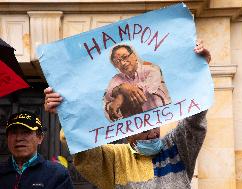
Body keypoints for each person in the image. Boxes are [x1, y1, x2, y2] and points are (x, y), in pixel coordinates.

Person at [44, 40, 211, 189]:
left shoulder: (176, 148)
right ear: (127, 127)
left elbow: (194, 121)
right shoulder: (114, 158)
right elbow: (82, 144)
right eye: (145, 126)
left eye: (155, 123)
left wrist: (199, 71)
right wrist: (66, 110)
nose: (153, 132)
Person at [0, 111, 74, 189]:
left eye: (26, 132)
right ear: (7, 138)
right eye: (13, 133)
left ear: (40, 138)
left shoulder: (57, 174)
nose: (18, 138)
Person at [104, 44, 171, 121]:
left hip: (163, 117)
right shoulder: (116, 79)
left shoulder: (152, 69)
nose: (122, 63)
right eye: (117, 62)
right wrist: (121, 88)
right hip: (138, 124)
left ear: (134, 56)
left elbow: (148, 89)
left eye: (125, 57)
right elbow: (108, 95)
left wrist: (121, 96)